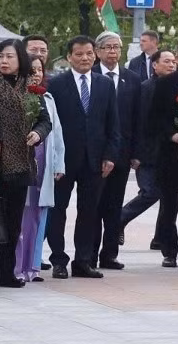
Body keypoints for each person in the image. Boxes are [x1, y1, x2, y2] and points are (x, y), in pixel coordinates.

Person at [45, 36, 121, 279]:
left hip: (95, 159)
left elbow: (113, 123)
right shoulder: (56, 84)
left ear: (95, 54)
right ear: (69, 57)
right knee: (58, 210)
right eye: (79, 54)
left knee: (89, 211)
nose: (85, 58)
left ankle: (84, 260)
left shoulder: (105, 84)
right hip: (64, 160)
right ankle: (58, 259)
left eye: (89, 53)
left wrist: (110, 155)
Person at [0, 40, 49, 288]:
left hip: (21, 164)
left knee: (12, 223)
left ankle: (6, 273)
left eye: (9, 56)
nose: (4, 61)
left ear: (20, 59)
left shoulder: (29, 89)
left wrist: (38, 133)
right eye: (0, 56)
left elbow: (45, 120)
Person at [136, 42, 178, 266]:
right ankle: (169, 251)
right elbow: (153, 120)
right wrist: (172, 135)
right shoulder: (163, 84)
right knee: (169, 205)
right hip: (169, 152)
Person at [92, 31, 141, 269]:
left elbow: (137, 118)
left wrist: (136, 153)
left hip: (122, 153)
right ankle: (88, 254)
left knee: (113, 206)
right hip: (95, 153)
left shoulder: (132, 79)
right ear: (98, 51)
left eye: (117, 47)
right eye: (108, 47)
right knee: (93, 205)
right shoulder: (90, 76)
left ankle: (109, 254)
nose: (113, 52)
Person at [17, 47, 66, 284]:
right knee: (21, 215)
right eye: (31, 70)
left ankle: (34, 266)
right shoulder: (16, 96)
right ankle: (18, 265)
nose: (35, 74)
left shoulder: (47, 98)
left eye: (39, 70)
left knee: (40, 214)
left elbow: (56, 134)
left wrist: (59, 163)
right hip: (22, 161)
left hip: (44, 161)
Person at [118, 48, 176, 248]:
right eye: (166, 61)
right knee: (150, 192)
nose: (171, 65)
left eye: (173, 62)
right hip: (148, 153)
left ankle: (160, 238)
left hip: (170, 153)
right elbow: (139, 122)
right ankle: (120, 218)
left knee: (168, 197)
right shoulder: (144, 88)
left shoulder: (177, 87)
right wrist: (136, 153)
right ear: (155, 65)